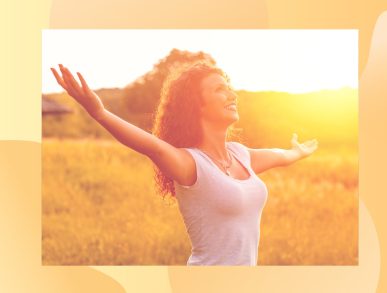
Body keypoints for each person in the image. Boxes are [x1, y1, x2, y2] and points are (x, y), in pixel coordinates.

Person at [50, 62, 318, 266]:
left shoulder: (240, 155)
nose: (231, 95)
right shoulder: (190, 164)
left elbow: (280, 156)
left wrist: (297, 152)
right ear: (197, 106)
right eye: (219, 90)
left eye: (229, 88)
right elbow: (149, 145)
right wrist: (99, 112)